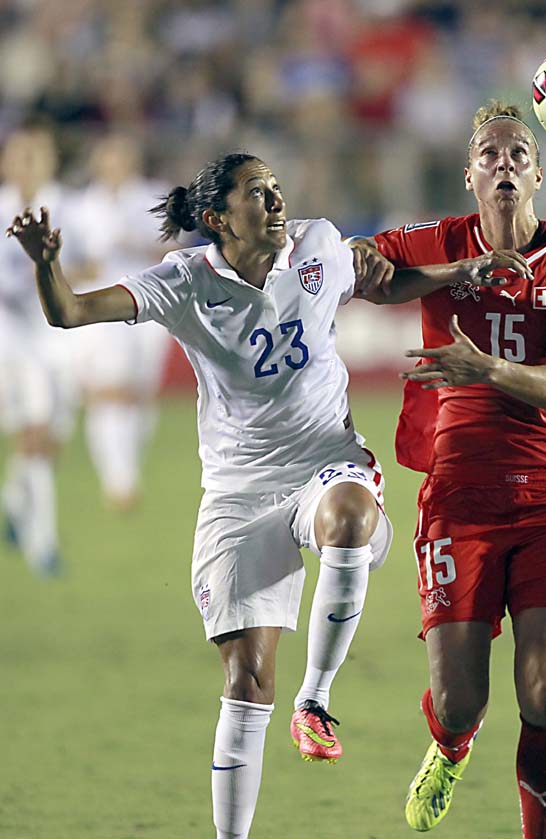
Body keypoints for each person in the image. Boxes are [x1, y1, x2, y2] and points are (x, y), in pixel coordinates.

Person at [7, 153, 393, 839]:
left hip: (323, 465)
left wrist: (464, 272)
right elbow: (67, 311)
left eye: (277, 186)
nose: (275, 199)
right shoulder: (186, 280)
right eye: (257, 192)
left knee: (350, 514)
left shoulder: (320, 244)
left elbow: (391, 278)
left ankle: (317, 698)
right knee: (247, 679)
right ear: (217, 218)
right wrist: (46, 262)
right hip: (239, 494)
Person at [351, 101, 546, 839]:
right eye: (490, 154)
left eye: (519, 154)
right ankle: (452, 744)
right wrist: (446, 271)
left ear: (538, 174)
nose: (505, 163)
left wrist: (484, 368)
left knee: (545, 685)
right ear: (469, 175)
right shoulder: (440, 241)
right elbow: (352, 263)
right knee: (461, 699)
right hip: (462, 496)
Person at [70, 133, 172, 511]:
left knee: (140, 393)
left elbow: (179, 251)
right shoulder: (79, 206)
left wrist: (141, 246)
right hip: (100, 306)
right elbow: (63, 264)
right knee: (109, 390)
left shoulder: (155, 198)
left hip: (150, 305)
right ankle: (119, 480)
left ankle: (128, 468)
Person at [0, 123, 80, 575]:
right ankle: (42, 544)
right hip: (12, 337)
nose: (27, 165)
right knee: (32, 431)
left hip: (58, 336)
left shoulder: (68, 206)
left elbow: (91, 260)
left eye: (35, 156)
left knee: (53, 438)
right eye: (19, 155)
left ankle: (13, 502)